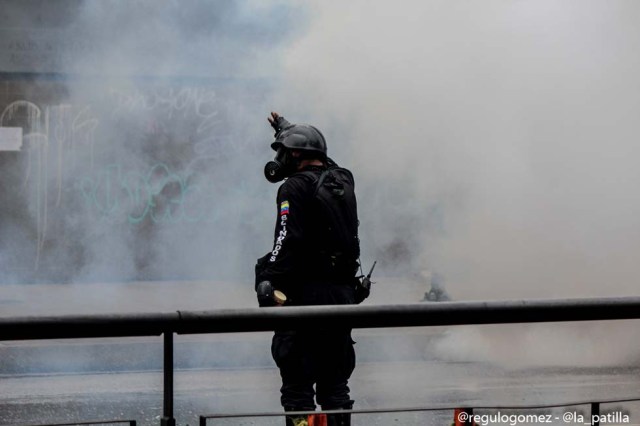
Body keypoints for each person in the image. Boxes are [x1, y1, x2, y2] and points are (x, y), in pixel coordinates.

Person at [255, 112, 361, 426]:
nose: (278, 159)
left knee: (298, 388)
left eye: (282, 151)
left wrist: (268, 280)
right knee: (335, 385)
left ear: (297, 154)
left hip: (304, 299)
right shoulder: (343, 179)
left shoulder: (293, 188)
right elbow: (325, 163)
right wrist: (288, 130)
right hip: (342, 298)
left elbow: (286, 240)